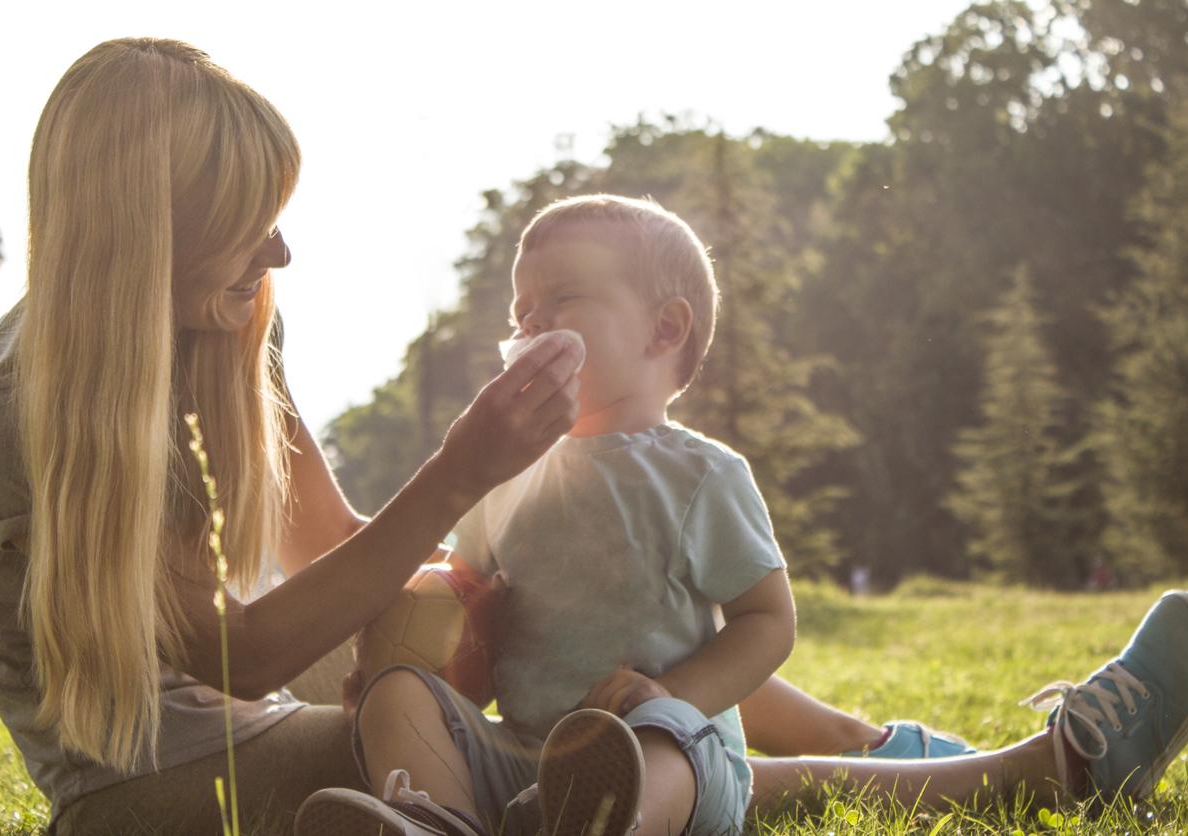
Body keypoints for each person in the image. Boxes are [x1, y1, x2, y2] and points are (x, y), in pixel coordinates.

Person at [295, 196, 1188, 836]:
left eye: (559, 300)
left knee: (661, 751)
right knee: (399, 693)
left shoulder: (701, 473)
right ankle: (434, 817)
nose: (529, 323)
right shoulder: (507, 476)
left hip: (669, 745)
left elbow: (769, 620)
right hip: (525, 750)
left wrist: (673, 696)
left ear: (663, 330)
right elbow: (480, 629)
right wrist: (435, 649)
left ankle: (603, 818)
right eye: (519, 309)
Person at [0, 38, 585, 834]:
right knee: (466, 743)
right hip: (134, 787)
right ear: (150, 236)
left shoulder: (218, 327)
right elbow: (242, 658)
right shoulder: (5, 418)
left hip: (258, 710)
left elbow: (332, 542)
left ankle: (729, 747)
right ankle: (754, 782)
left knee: (562, 639)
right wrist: (460, 471)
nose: (278, 252)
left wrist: (508, 593)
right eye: (248, 228)